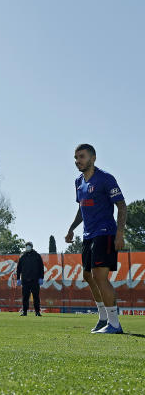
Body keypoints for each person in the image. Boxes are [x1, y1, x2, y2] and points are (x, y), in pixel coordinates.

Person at [64, 143, 127, 334]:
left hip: (105, 233)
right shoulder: (78, 182)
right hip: (88, 236)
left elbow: (122, 206)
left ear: (93, 158)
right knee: (88, 276)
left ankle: (115, 324)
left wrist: (119, 234)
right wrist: (71, 229)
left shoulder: (106, 179)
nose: (78, 161)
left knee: (100, 276)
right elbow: (82, 208)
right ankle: (103, 319)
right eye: (76, 158)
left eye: (81, 157)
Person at [16, 241, 44, 316]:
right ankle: (24, 312)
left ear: (32, 247)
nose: (27, 247)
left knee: (36, 297)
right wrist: (18, 278)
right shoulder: (22, 256)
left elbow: (41, 267)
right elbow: (18, 269)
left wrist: (41, 278)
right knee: (25, 297)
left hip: (35, 280)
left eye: (29, 246)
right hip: (25, 280)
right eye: (26, 246)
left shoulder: (37, 256)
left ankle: (37, 312)